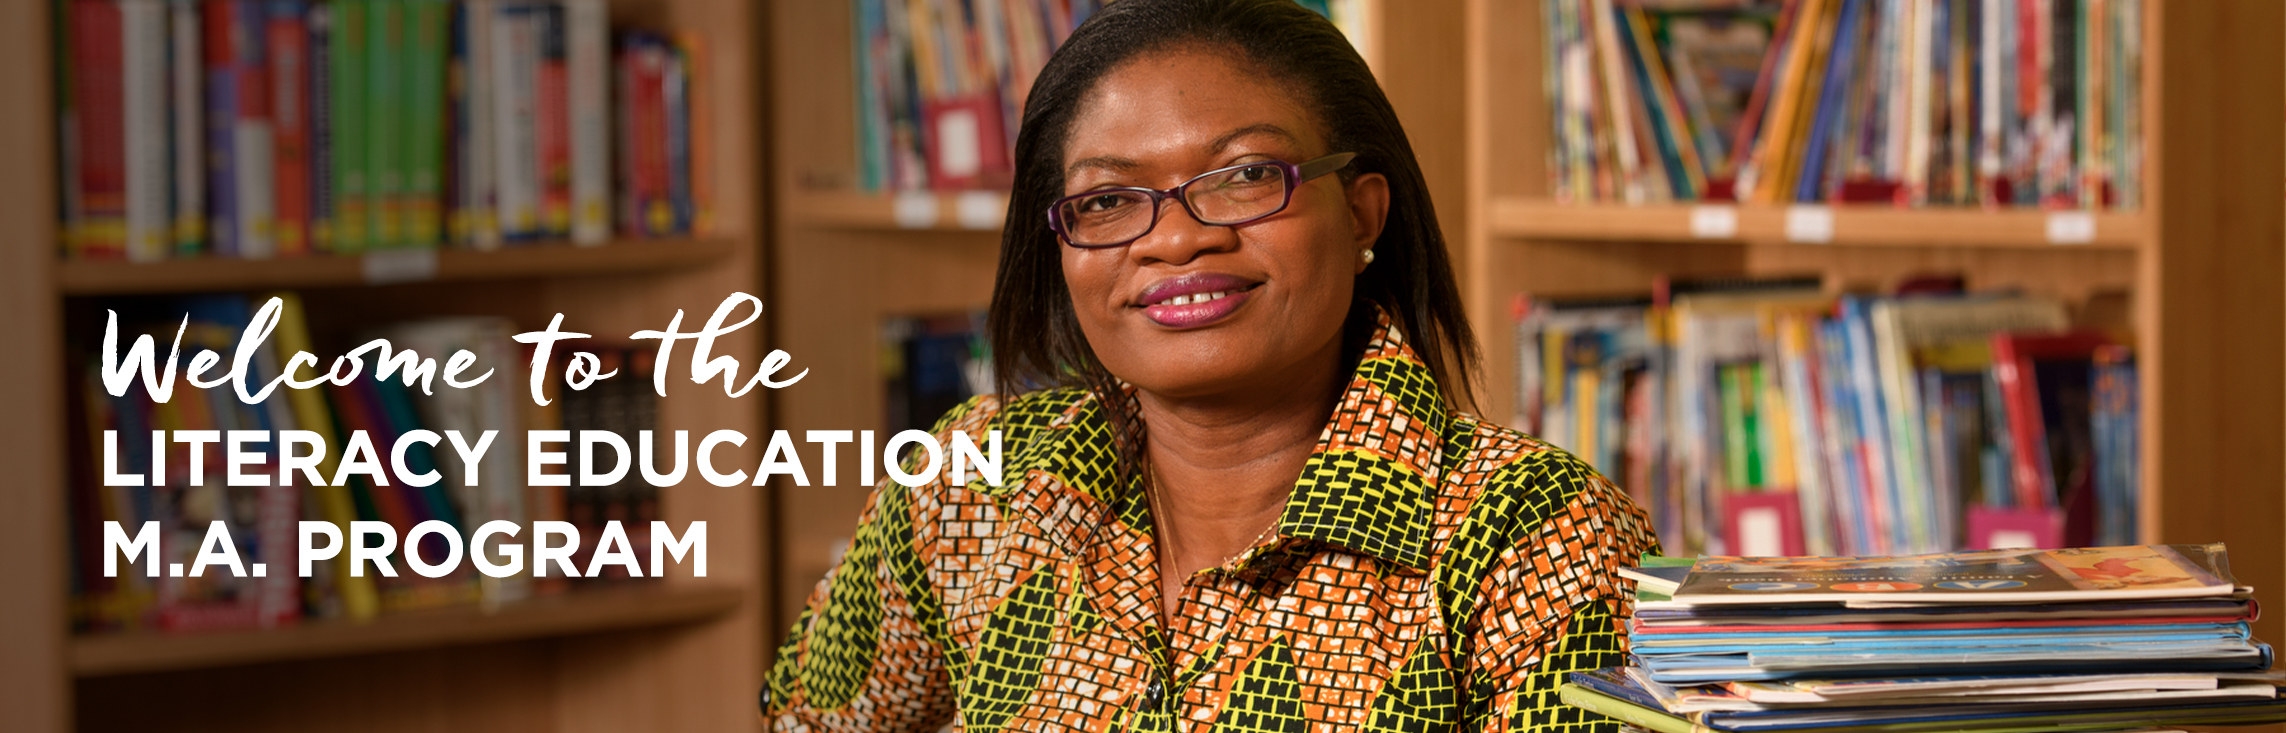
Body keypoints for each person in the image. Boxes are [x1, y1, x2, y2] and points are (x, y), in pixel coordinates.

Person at [764, 1, 1657, 730]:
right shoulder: (973, 485)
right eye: (1110, 199)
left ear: (1362, 216)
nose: (1180, 237)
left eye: (1245, 176)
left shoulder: (1532, 531)